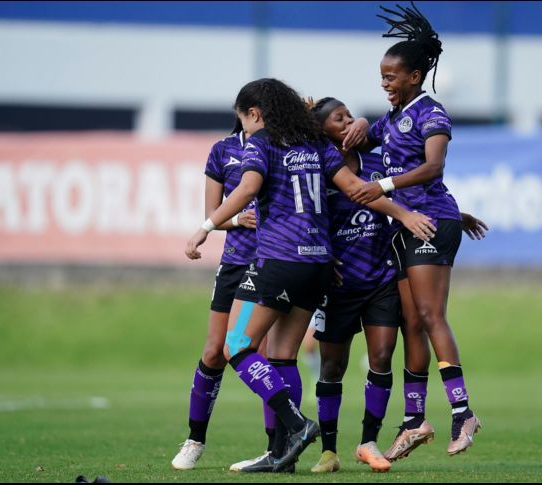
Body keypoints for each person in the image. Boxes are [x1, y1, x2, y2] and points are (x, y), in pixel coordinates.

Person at [184, 78, 436, 473]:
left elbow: (248, 186)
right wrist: (403, 212)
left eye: (244, 121)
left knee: (236, 346)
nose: (244, 130)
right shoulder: (316, 145)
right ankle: (281, 456)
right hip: (319, 264)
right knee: (284, 356)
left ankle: (296, 423)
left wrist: (207, 225)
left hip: (280, 260)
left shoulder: (262, 142)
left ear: (255, 114)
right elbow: (355, 187)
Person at [344, 2, 486, 460]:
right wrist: (363, 122)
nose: (384, 83)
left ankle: (463, 413)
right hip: (410, 227)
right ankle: (413, 420)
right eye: (382, 76)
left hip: (427, 224)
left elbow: (433, 166)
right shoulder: (394, 115)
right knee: (411, 324)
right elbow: (366, 139)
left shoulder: (432, 113)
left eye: (391, 76)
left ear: (415, 75)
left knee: (429, 316)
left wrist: (383, 185)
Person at [171, 120, 278, 471]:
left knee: (261, 352)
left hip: (271, 262)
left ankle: (276, 445)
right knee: (214, 351)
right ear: (246, 112)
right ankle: (194, 439)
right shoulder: (222, 151)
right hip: (234, 263)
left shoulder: (282, 146)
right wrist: (237, 221)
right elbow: (212, 216)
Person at [305, 98, 401, 473]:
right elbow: (306, 219)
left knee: (381, 358)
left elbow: (408, 197)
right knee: (332, 366)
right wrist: (325, 258)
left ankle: (368, 441)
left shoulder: (376, 164)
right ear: (322, 131)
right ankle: (328, 452)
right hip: (338, 284)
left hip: (381, 278)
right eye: (337, 118)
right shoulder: (315, 170)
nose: (347, 122)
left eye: (349, 115)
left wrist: (450, 216)